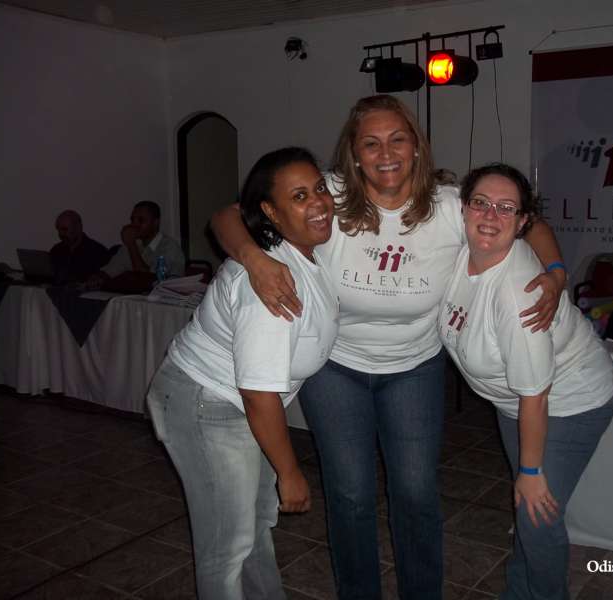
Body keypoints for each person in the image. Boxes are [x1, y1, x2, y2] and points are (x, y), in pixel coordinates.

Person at [211, 95, 567, 599]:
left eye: (398, 139)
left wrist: (557, 274)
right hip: (336, 367)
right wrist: (254, 258)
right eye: (371, 143)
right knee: (350, 494)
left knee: (416, 492)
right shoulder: (329, 194)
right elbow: (227, 215)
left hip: (414, 368)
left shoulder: (449, 204)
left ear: (417, 146)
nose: (386, 153)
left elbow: (531, 224)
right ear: (354, 154)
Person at [146, 148, 338, 600]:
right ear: (270, 212)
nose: (318, 202)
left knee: (252, 527)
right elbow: (257, 393)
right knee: (227, 546)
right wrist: (289, 471)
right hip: (207, 403)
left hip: (236, 405)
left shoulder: (301, 251)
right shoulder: (268, 288)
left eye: (319, 189)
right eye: (299, 196)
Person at [439, 163, 613, 600]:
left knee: (536, 516)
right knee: (526, 511)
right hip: (515, 403)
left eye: (506, 208)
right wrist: (558, 269)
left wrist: (532, 472)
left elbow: (536, 395)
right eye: (481, 203)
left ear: (521, 222)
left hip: (569, 400)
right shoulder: (462, 245)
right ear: (463, 209)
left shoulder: (518, 296)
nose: (490, 215)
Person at [101, 201, 185, 280]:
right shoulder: (132, 244)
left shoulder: (169, 247)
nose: (134, 225)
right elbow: (108, 271)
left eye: (141, 220)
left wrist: (132, 245)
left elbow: (148, 280)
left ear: (155, 223)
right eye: (132, 220)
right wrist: (97, 279)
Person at [49, 210, 109, 283]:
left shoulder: (98, 252)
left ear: (78, 228)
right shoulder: (56, 250)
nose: (61, 234)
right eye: (58, 230)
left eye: (64, 229)